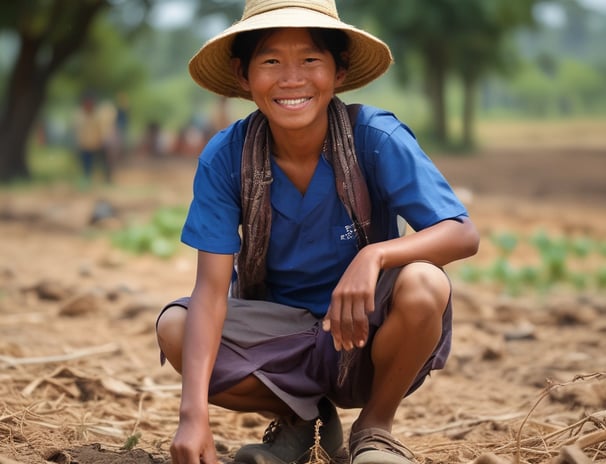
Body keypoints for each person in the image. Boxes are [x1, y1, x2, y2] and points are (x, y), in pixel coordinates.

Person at [155, 1, 480, 463]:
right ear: (243, 76)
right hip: (279, 339)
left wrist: (375, 257)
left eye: (310, 60)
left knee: (426, 282)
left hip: (367, 333)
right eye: (271, 61)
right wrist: (191, 417)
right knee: (175, 327)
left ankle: (374, 428)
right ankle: (302, 420)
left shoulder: (375, 138)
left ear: (339, 71)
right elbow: (209, 291)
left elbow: (462, 233)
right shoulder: (227, 156)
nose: (292, 79)